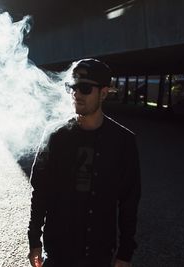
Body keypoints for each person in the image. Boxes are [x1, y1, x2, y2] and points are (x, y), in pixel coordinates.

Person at [28, 58, 141, 267]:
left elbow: (129, 202)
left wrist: (125, 252)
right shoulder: (55, 135)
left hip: (98, 254)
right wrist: (34, 240)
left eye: (85, 88)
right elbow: (40, 191)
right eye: (73, 87)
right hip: (57, 252)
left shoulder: (123, 142)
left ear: (104, 93)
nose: (77, 94)